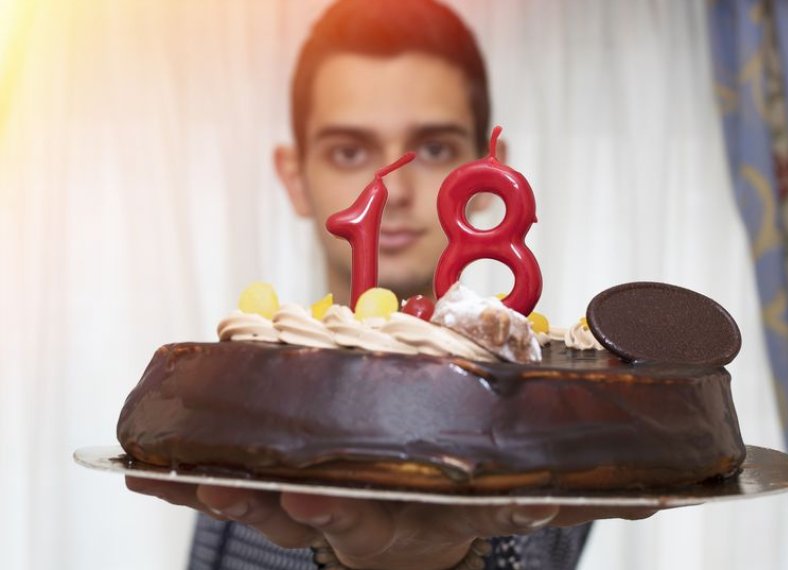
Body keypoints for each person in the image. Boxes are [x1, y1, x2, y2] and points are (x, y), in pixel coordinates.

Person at [125, 1, 655, 568]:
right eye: (349, 151)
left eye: (433, 149)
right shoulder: (246, 407)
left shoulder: (546, 414)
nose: (393, 191)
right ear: (295, 177)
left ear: (489, 180)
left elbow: (529, 547)